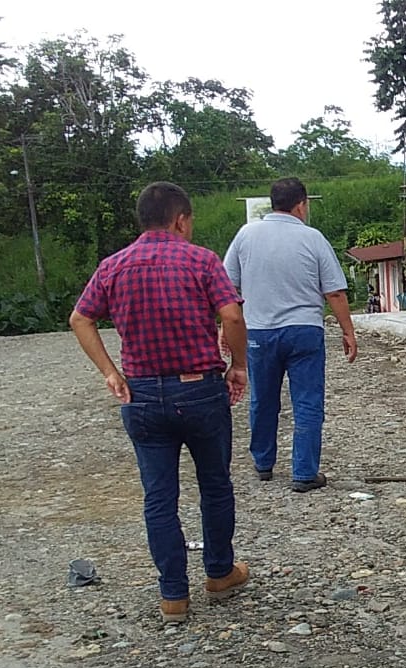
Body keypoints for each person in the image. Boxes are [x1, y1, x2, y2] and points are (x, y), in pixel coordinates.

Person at [68, 181, 251, 623]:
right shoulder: (201, 260)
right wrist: (239, 365)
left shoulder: (113, 266)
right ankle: (219, 573)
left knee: (159, 496)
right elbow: (231, 315)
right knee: (214, 485)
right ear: (181, 220)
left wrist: (111, 372)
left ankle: (173, 596)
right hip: (200, 390)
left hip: (143, 394)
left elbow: (80, 318)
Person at [222, 177, 357, 492]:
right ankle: (304, 472)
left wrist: (226, 328)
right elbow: (334, 292)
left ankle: (263, 463)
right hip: (304, 331)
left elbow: (227, 287)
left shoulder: (246, 235)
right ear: (301, 205)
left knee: (263, 399)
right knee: (308, 401)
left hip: (259, 331)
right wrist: (348, 331)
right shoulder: (313, 238)